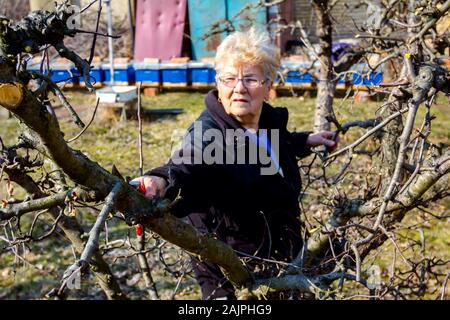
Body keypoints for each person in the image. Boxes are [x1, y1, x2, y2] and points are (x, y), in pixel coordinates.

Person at [132, 28, 338, 300]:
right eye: (229, 79)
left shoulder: (267, 121)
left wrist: (304, 141)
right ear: (218, 83)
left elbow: (273, 147)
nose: (239, 87)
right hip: (234, 277)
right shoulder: (209, 134)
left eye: (250, 79)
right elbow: (185, 166)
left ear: (268, 85)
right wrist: (157, 181)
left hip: (284, 261)